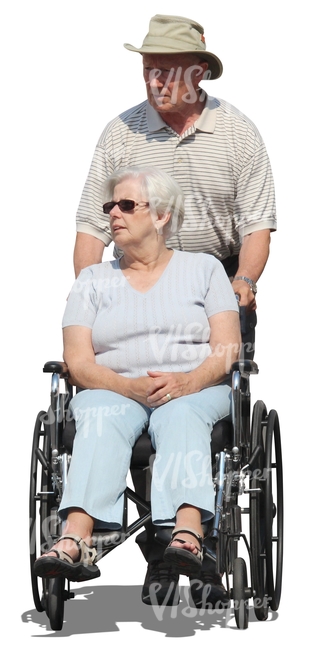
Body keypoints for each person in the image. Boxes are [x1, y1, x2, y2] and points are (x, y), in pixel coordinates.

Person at [72, 13, 276, 606]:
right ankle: (162, 551)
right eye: (148, 69)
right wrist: (88, 296)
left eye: (167, 70)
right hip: (131, 282)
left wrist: (243, 280)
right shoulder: (120, 133)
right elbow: (91, 226)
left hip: (211, 285)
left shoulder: (237, 134)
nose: (155, 80)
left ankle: (199, 534)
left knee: (194, 409)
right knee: (125, 404)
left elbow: (257, 225)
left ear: (198, 73)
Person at [34, 166, 241, 598]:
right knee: (98, 415)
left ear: (162, 215)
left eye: (127, 205)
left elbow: (226, 349)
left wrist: (187, 381)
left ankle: (187, 533)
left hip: (195, 389)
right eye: (110, 206)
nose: (113, 214)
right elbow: (76, 359)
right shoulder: (92, 280)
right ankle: (75, 538)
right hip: (114, 389)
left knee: (181, 414)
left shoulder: (205, 270)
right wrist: (124, 388)